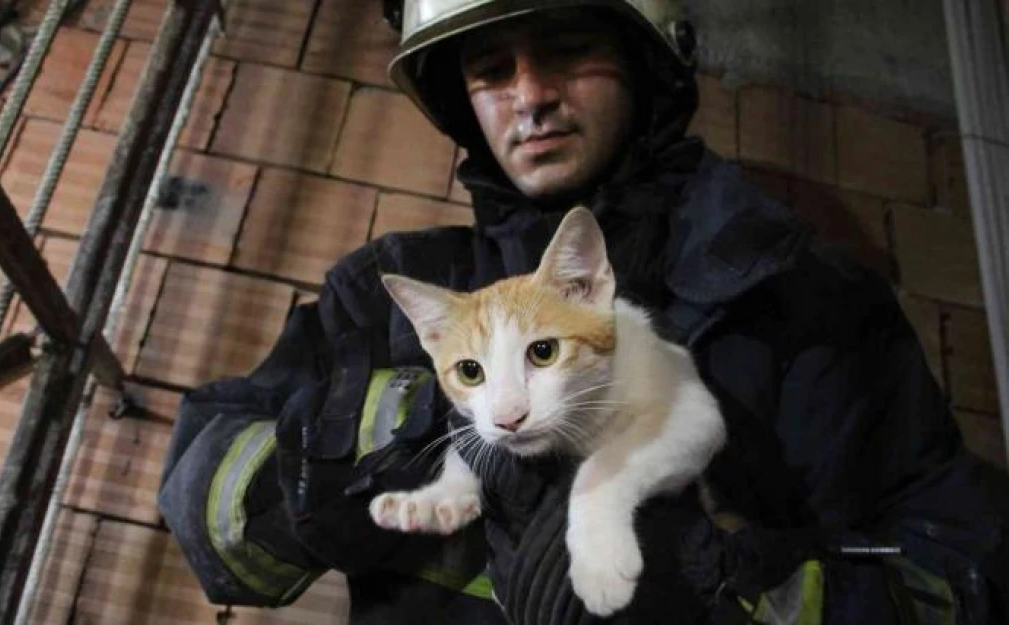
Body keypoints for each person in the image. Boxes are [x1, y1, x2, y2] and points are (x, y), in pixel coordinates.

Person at [159, 1, 1008, 623]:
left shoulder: (800, 298)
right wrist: (339, 456)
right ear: (462, 100)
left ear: (645, 60)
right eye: (490, 69)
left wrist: (729, 593)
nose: (530, 95)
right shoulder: (393, 286)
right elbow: (211, 515)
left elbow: (963, 572)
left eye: (568, 47)